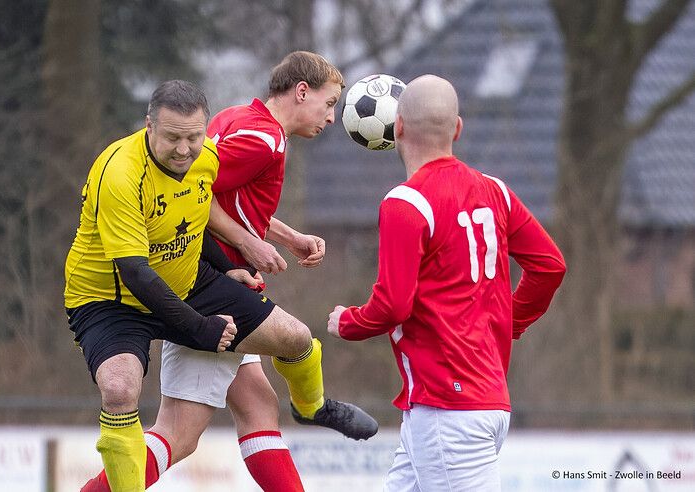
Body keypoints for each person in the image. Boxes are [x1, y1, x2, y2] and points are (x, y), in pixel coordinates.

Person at [80, 53, 378, 492]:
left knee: (257, 405)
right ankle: (313, 405)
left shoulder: (240, 117)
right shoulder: (265, 142)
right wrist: (245, 243)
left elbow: (226, 199)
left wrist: (284, 236)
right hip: (208, 285)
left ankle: (310, 405)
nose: (332, 117)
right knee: (178, 435)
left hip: (211, 276)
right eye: (329, 102)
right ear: (301, 91)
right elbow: (196, 195)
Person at [326, 75, 566, 491]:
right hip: (478, 401)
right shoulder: (498, 192)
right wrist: (510, 324)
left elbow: (393, 305)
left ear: (396, 126)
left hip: (449, 409)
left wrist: (348, 321)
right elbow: (549, 266)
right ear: (458, 128)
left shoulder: (405, 202)